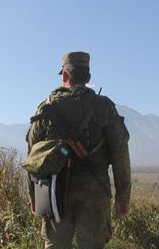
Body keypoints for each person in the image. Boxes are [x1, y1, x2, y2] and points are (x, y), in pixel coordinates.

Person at [26, 51, 131, 249]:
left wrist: (34, 197)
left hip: (54, 191)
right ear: (88, 77)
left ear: (64, 76)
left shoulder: (45, 108)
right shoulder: (104, 107)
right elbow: (120, 153)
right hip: (95, 189)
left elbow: (32, 158)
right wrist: (123, 197)